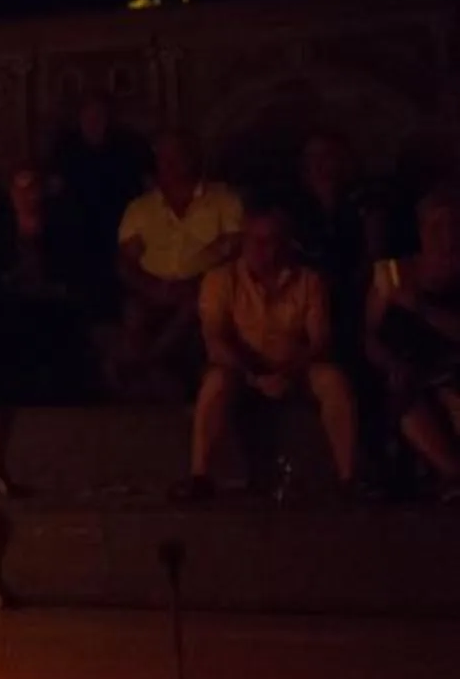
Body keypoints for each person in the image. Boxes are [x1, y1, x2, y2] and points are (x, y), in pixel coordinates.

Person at [189, 208, 358, 501]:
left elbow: (319, 340)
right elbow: (216, 338)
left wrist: (287, 372)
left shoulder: (309, 281)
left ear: (285, 243)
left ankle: (349, 477)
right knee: (215, 382)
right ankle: (199, 475)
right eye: (254, 240)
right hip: (241, 369)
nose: (261, 248)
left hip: (293, 367)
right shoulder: (219, 280)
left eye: (270, 240)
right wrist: (255, 375)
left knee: (332, 380)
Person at [111, 133, 243, 400]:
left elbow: (236, 252)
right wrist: (153, 288)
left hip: (203, 287)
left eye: (175, 157)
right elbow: (126, 261)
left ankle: (146, 362)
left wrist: (197, 284)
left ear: (192, 159)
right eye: (163, 158)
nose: (168, 164)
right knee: (134, 310)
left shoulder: (223, 201)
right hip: (152, 289)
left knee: (196, 303)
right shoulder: (141, 208)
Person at [366, 187, 460, 501]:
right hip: (406, 363)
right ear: (421, 230)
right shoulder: (395, 273)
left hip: (449, 362)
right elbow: (368, 334)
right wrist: (390, 363)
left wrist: (420, 306)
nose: (445, 234)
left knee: (450, 389)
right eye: (436, 226)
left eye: (452, 225)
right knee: (404, 395)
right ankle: (452, 473)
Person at [0, 163, 95, 407]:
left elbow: (74, 268)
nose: (25, 197)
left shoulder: (62, 226)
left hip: (55, 301)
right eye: (19, 190)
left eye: (31, 189)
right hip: (14, 302)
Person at [282, 131, 384, 360]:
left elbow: (375, 254)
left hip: (354, 288)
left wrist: (349, 282)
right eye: (311, 157)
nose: (318, 164)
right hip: (308, 291)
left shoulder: (365, 200)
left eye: (326, 156)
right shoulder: (296, 205)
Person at [48, 91, 152, 309]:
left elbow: (145, 183)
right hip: (79, 221)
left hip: (119, 217)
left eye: (99, 115)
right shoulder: (66, 147)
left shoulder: (129, 144)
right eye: (89, 115)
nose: (94, 121)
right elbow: (55, 187)